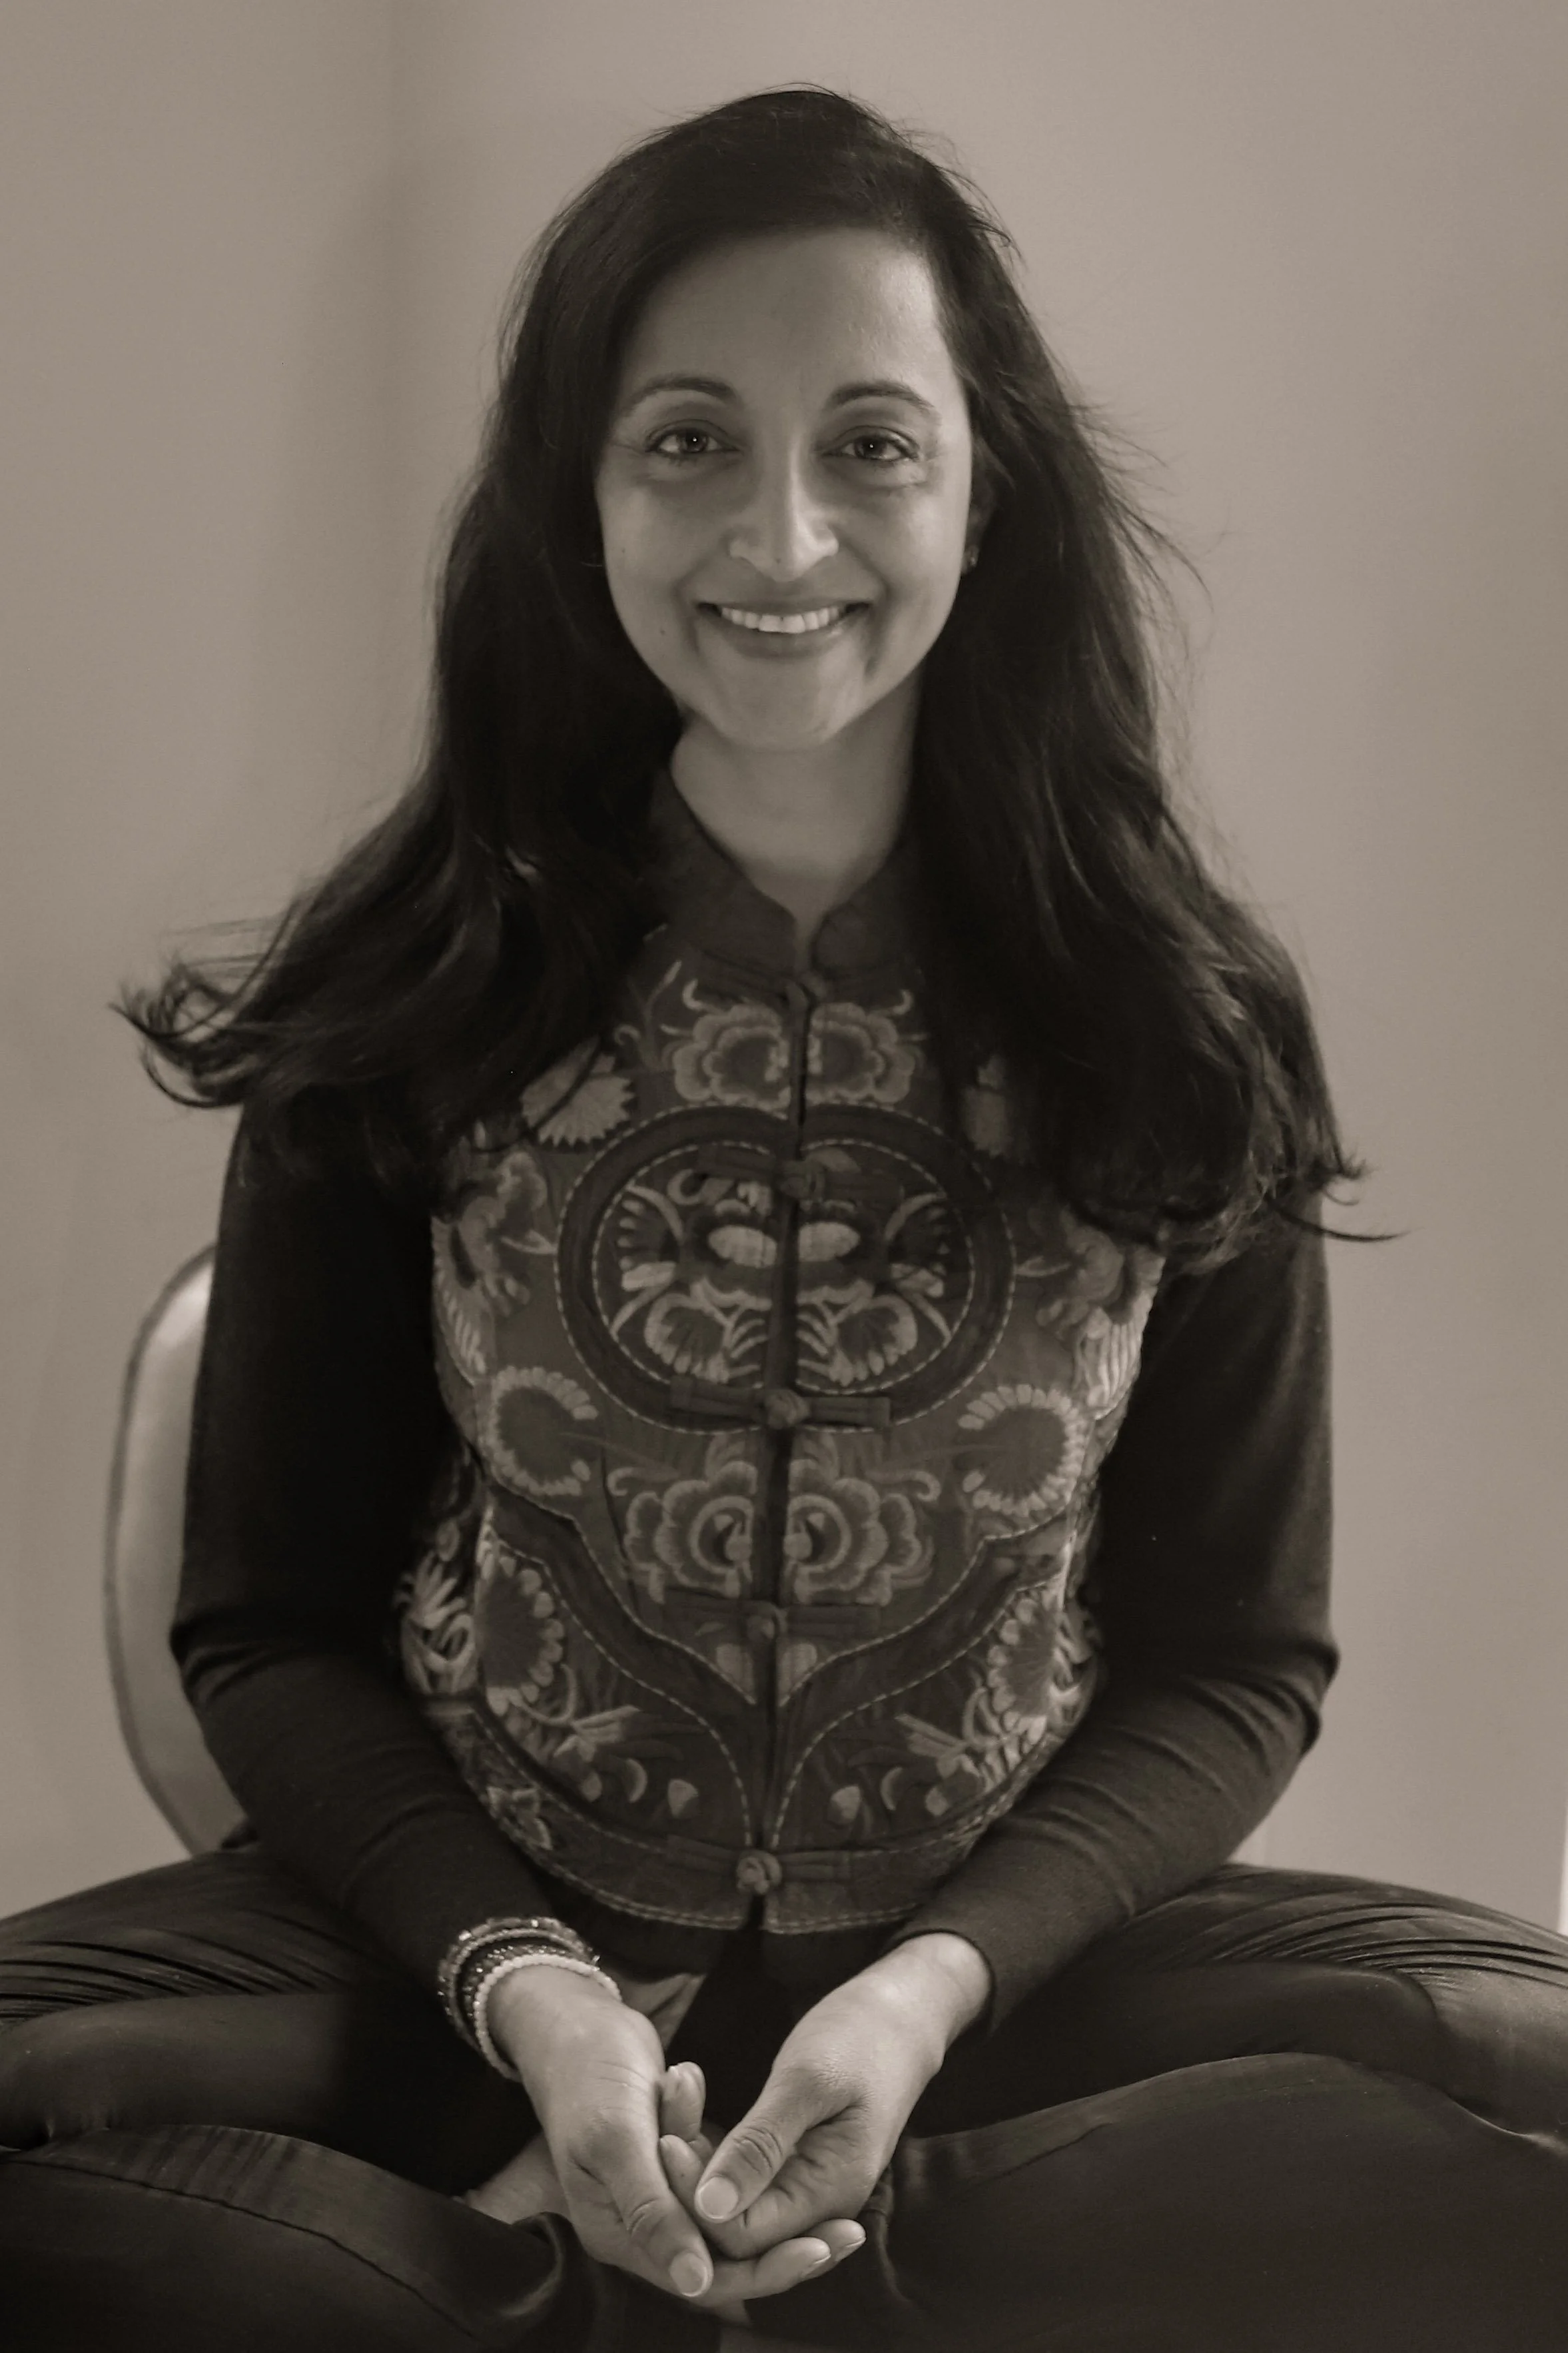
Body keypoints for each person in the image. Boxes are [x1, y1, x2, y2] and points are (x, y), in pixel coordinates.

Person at [3, 85, 1567, 2353]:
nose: (786, 532)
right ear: (582, 490)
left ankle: (799, 2245)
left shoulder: (1172, 1013)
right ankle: (562, 2248)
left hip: (995, 1985)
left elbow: (1238, 1656)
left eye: (869, 443)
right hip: (468, 1971)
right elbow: (265, 1625)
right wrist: (530, 1992)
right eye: (689, 443)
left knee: (1530, 2085)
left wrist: (927, 1990)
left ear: (981, 482)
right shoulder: (421, 978)